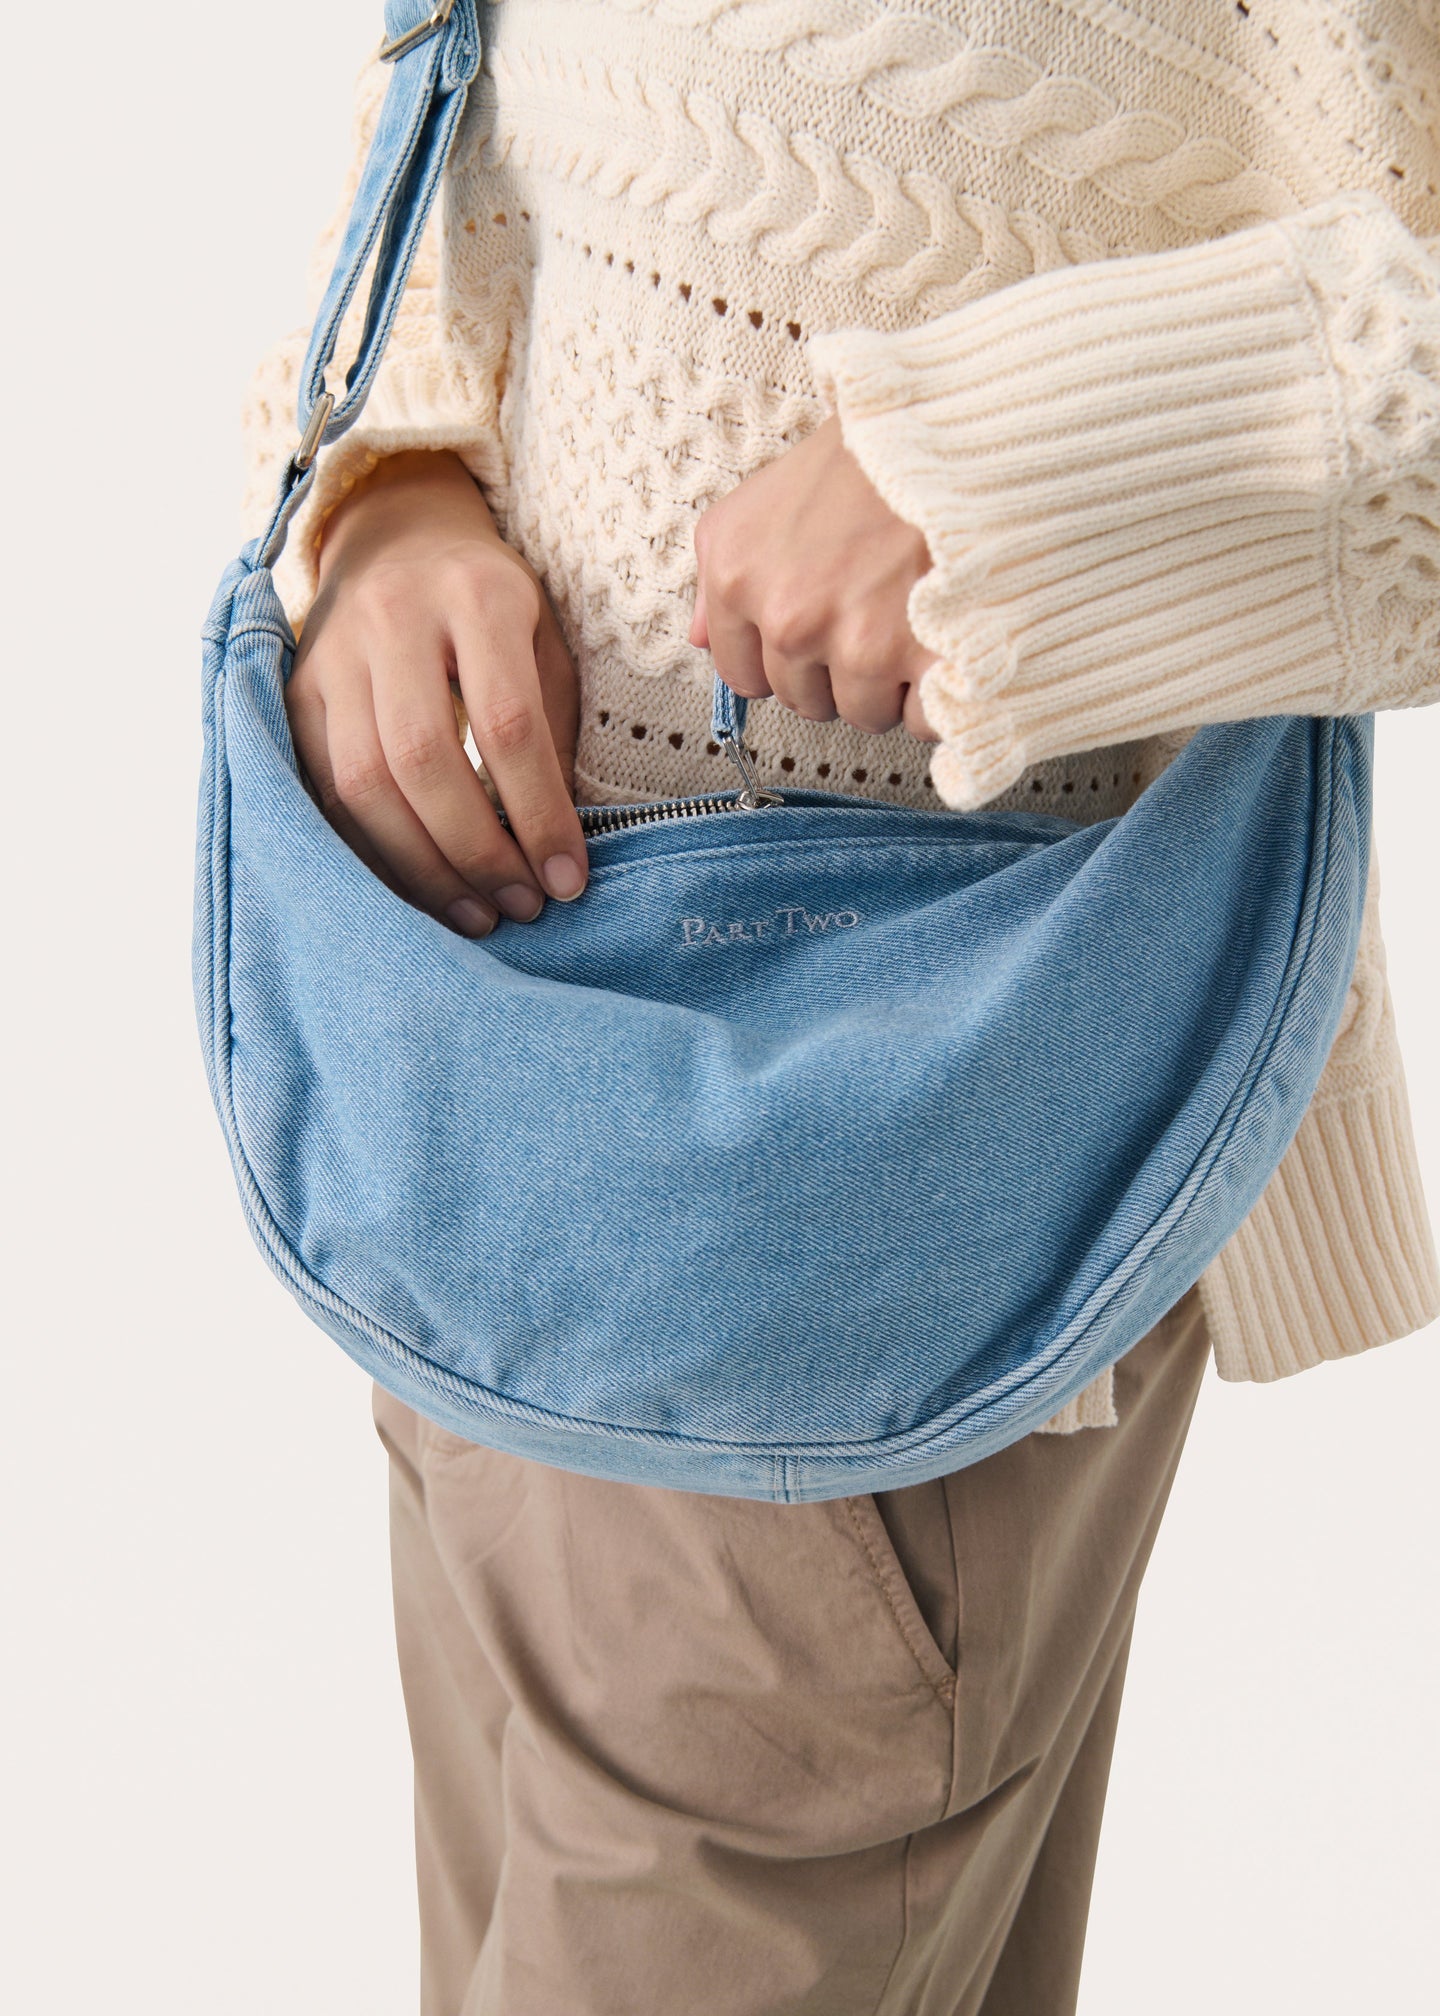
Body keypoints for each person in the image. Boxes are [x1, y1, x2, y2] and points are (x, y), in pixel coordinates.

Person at [240, 4, 1440, 2009]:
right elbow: (470, 94)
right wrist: (393, 492)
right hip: (496, 1128)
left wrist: (1005, 471)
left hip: (879, 1230)